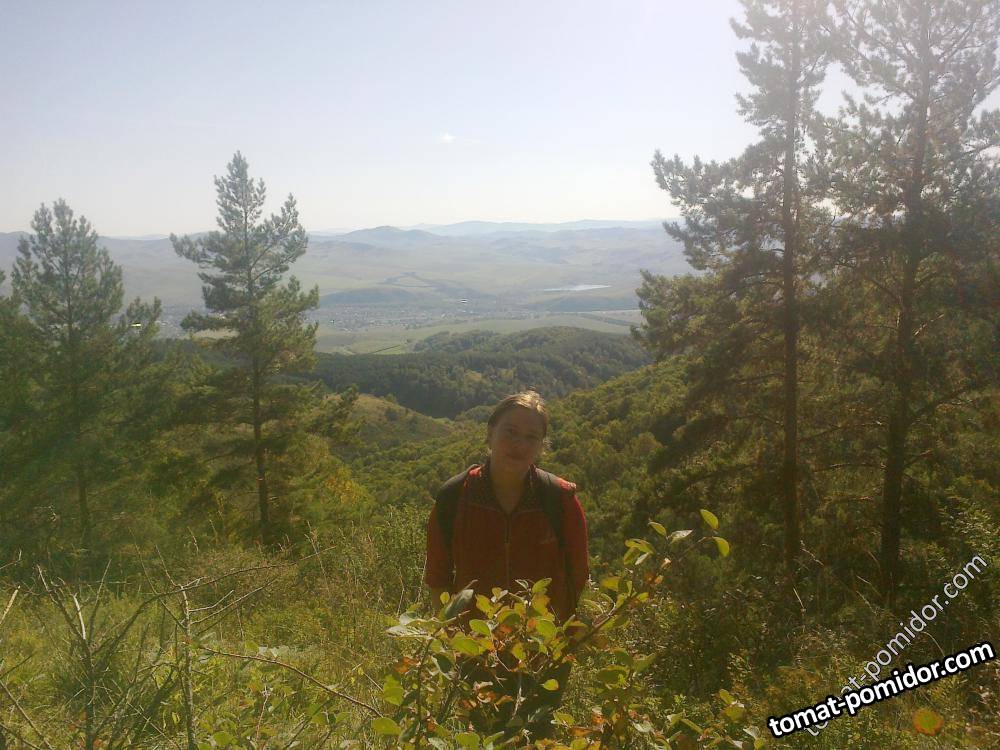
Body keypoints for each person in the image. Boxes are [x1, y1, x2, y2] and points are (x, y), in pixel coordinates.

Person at [424, 390, 589, 738]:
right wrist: (454, 639)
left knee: (536, 736)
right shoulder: (455, 497)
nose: (519, 444)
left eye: (531, 436)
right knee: (485, 735)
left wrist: (563, 638)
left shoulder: (559, 500)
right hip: (476, 650)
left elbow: (578, 576)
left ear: (541, 445)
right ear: (490, 432)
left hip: (543, 651)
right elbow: (438, 578)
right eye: (510, 432)